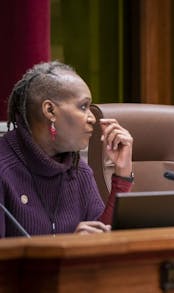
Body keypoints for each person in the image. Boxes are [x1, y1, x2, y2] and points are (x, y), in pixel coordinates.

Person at [0, 61, 134, 237]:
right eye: (83, 106)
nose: (92, 118)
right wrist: (67, 247)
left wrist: (122, 174)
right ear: (50, 110)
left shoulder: (79, 171)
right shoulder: (4, 169)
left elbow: (103, 239)